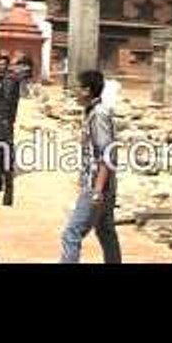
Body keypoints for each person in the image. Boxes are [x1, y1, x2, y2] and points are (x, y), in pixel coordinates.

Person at [60, 69, 122, 264]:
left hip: (96, 185)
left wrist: (97, 190)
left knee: (72, 233)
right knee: (105, 231)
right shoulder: (92, 113)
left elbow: (107, 153)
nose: (74, 92)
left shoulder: (98, 115)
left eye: (77, 88)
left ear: (87, 90)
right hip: (104, 186)